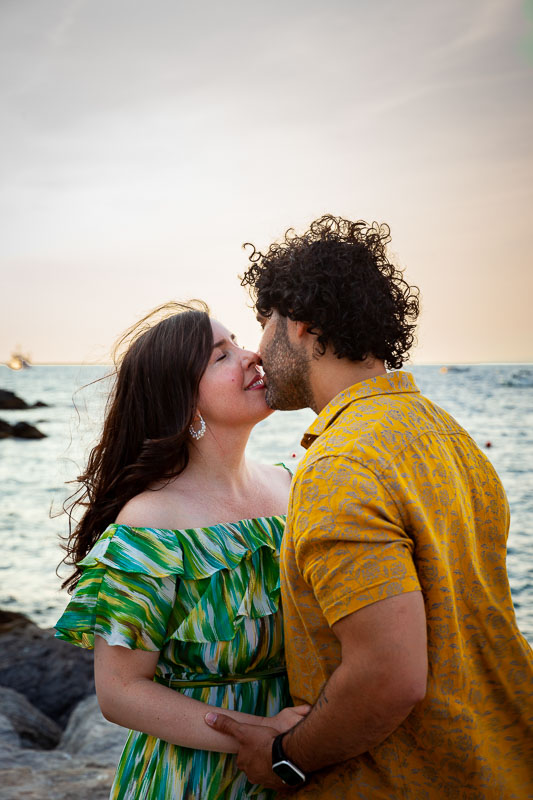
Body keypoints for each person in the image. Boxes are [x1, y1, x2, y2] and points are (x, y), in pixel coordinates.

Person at [205, 216, 533, 798]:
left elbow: (388, 675)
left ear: (300, 326)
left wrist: (285, 757)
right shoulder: (445, 433)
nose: (256, 351)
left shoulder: (340, 468)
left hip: (403, 780)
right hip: (500, 762)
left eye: (263, 325)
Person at [55, 301, 309, 800]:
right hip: (193, 778)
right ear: (183, 400)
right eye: (221, 356)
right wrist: (258, 732)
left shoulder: (291, 485)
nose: (253, 355)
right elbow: (121, 693)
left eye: (237, 342)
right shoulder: (152, 523)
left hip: (297, 763)